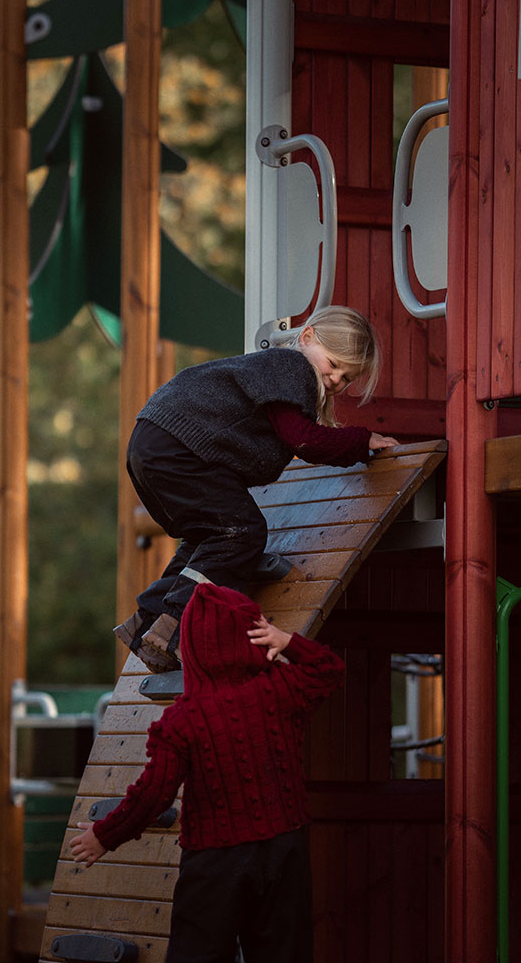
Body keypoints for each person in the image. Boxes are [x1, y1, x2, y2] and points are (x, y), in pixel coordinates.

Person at [71, 582, 346, 963]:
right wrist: (287, 640)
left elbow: (155, 794)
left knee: (198, 952)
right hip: (285, 849)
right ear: (253, 637)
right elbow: (329, 668)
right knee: (285, 951)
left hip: (215, 859)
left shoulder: (183, 721)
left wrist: (105, 834)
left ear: (194, 650)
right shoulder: (281, 689)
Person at [115, 304, 398, 673]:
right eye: (333, 364)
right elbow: (305, 441)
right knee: (243, 531)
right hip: (179, 447)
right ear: (307, 337)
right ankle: (177, 628)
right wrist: (362, 442)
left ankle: (146, 624)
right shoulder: (291, 367)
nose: (335, 380)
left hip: (154, 444)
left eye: (347, 378)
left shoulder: (272, 375)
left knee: (214, 536)